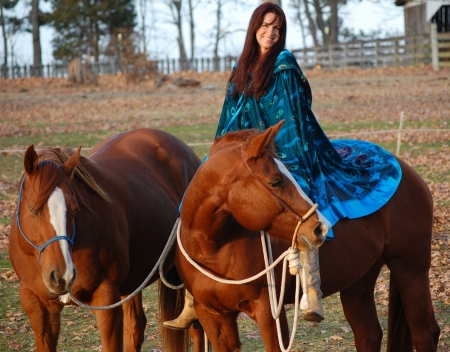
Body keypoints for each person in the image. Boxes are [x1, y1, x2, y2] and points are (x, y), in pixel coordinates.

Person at [164, 2, 402, 330]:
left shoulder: (284, 64)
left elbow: (293, 114)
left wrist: (283, 153)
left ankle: (310, 286)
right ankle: (193, 292)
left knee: (300, 201)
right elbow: (229, 118)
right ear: (254, 27)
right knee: (197, 192)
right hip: (247, 151)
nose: (271, 32)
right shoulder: (241, 67)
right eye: (265, 25)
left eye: (277, 27)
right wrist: (221, 154)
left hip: (284, 148)